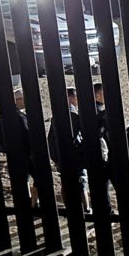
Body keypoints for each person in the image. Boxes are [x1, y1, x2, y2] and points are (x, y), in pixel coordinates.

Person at [47, 86, 90, 214]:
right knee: (81, 181)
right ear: (70, 98)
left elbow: (51, 138)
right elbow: (76, 137)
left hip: (61, 156)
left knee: (66, 182)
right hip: (73, 156)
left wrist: (55, 156)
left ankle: (70, 208)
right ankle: (86, 209)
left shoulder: (58, 114)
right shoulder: (72, 114)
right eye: (75, 97)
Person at [0, 87, 39, 207]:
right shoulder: (19, 116)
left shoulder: (6, 115)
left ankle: (28, 203)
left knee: (22, 179)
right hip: (26, 153)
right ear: (17, 100)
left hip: (14, 154)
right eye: (24, 99)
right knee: (37, 176)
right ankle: (34, 203)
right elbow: (26, 134)